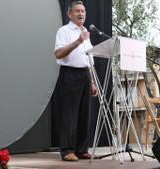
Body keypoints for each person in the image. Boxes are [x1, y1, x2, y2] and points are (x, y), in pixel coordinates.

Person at [54, 1, 98, 162]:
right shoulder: (64, 31)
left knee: (84, 114)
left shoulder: (85, 31)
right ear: (69, 14)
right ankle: (67, 151)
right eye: (78, 11)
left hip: (85, 74)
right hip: (70, 74)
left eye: (83, 11)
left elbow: (89, 59)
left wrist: (92, 81)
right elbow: (58, 54)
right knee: (70, 115)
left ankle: (81, 149)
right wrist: (78, 41)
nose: (81, 14)